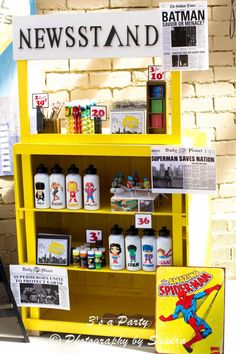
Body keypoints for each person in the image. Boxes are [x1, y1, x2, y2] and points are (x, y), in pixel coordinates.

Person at [159, 284, 221, 353]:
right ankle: (197, 334)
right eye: (180, 297)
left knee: (208, 331)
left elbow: (203, 293)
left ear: (185, 294)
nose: (182, 298)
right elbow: (175, 315)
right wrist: (165, 319)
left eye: (182, 296)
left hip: (196, 317)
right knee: (198, 331)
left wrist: (214, 287)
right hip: (190, 319)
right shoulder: (179, 305)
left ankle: (188, 344)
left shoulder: (192, 297)